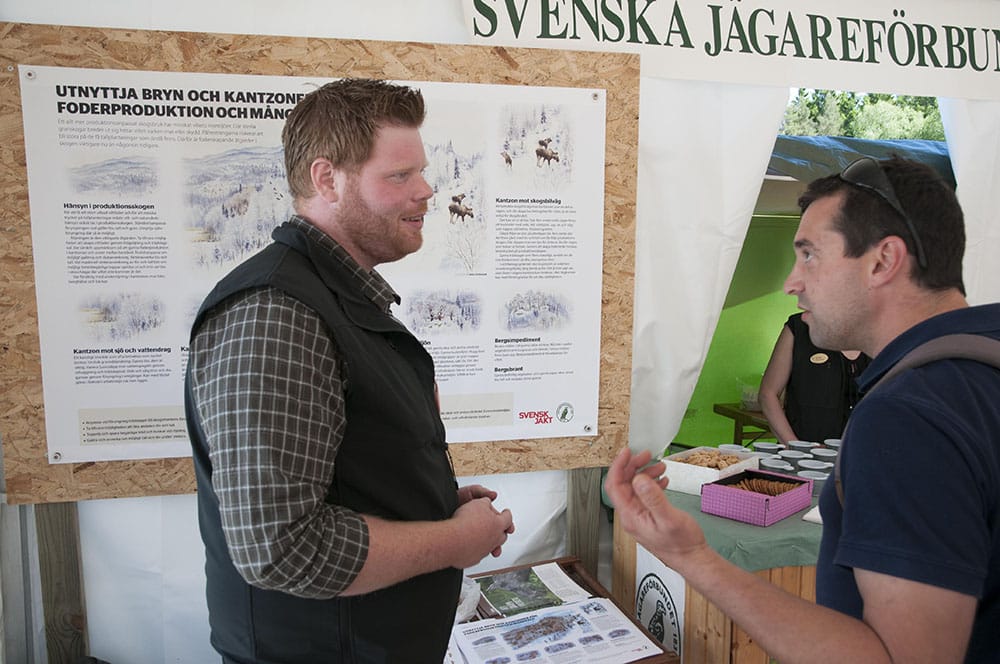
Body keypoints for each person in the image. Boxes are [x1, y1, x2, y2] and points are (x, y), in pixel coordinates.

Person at [607, 156, 999, 663]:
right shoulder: (978, 368)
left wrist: (693, 558)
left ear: (882, 261)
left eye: (809, 254)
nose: (792, 282)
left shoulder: (907, 418)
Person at [185, 78, 515, 663]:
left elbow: (338, 470)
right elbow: (280, 547)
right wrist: (455, 540)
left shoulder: (333, 297)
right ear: (326, 179)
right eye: (399, 176)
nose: (427, 190)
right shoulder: (276, 314)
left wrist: (426, 498)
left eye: (422, 172)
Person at [758, 311, 870, 444]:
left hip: (869, 456)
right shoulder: (799, 328)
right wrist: (797, 449)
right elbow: (768, 394)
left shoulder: (886, 332)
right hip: (802, 458)